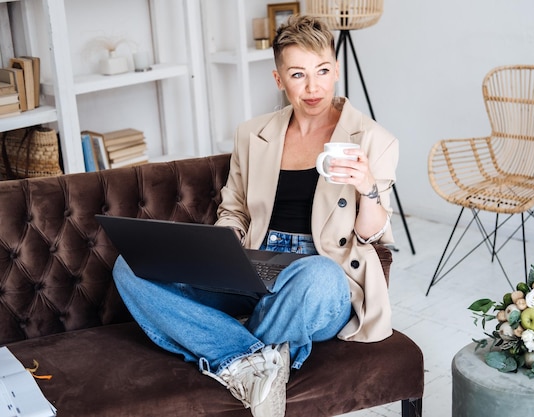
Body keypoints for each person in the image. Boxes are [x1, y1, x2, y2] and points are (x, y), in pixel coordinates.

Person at [112, 14, 398, 417]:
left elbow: (373, 236)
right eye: (297, 74)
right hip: (254, 265)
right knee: (130, 267)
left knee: (319, 277)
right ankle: (252, 359)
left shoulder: (373, 140)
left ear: (336, 70)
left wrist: (367, 186)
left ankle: (222, 346)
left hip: (319, 280)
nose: (312, 87)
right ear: (279, 80)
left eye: (321, 71)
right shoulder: (253, 134)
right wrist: (225, 244)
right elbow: (236, 210)